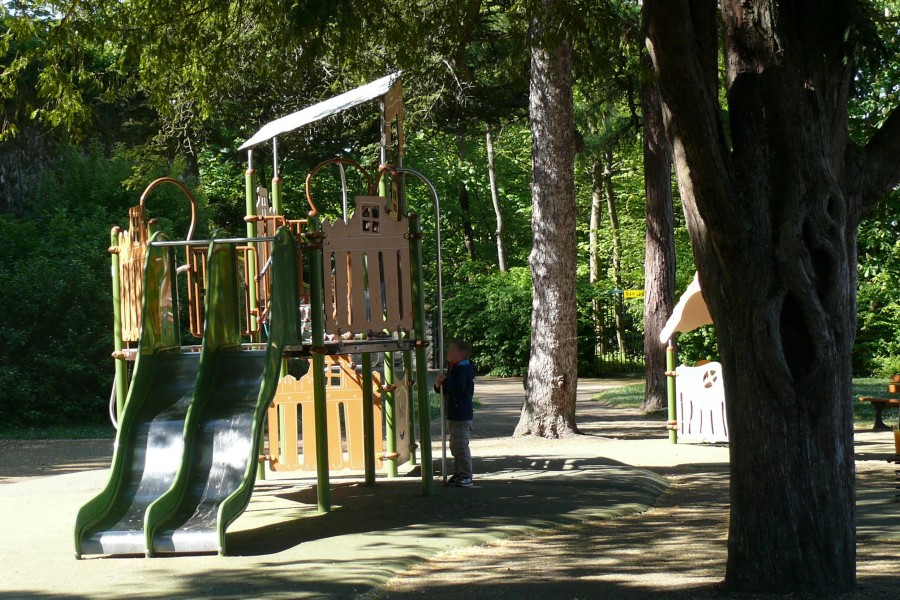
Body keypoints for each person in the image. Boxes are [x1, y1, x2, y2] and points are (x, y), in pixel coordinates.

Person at [434, 339, 476, 488]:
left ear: (461, 354)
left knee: (461, 445)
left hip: (461, 414)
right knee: (455, 445)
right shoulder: (453, 367)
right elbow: (447, 390)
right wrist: (439, 385)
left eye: (452, 350)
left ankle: (466, 475)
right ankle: (459, 472)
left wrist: (445, 382)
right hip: (454, 412)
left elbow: (457, 389)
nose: (448, 352)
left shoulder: (463, 370)